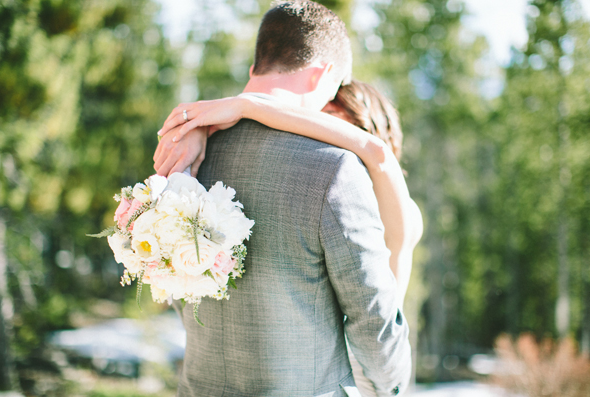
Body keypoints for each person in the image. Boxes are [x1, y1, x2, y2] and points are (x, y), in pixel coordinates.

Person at [154, 1, 412, 396]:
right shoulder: (335, 170)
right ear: (324, 74)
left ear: (258, 60)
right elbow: (372, 322)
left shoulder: (183, 156)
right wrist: (392, 386)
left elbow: (176, 291)